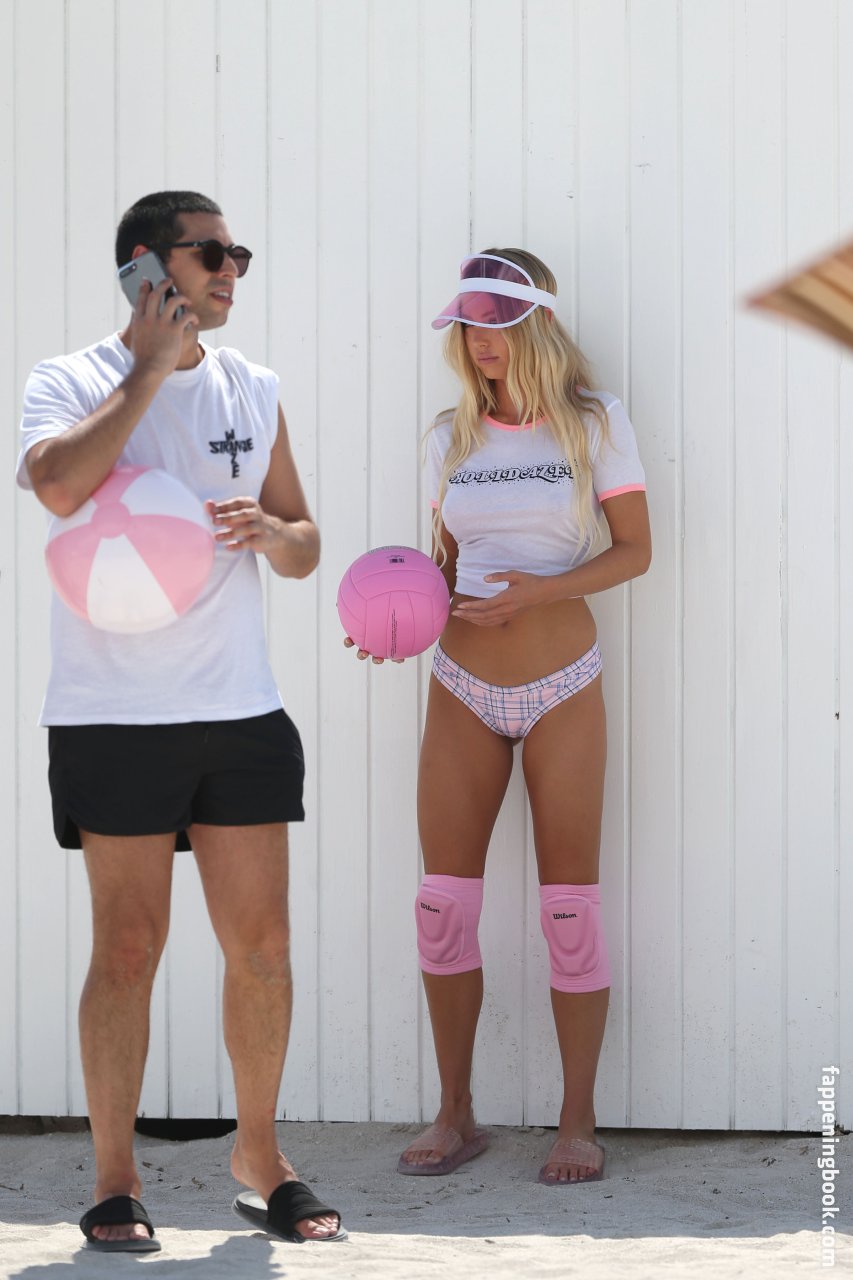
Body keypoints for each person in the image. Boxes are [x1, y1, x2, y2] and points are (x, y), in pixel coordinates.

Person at [17, 191, 346, 1249]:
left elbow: (306, 540)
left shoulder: (255, 385)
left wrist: (275, 536)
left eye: (238, 253)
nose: (231, 269)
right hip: (113, 715)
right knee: (128, 945)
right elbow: (55, 486)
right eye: (211, 253)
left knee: (263, 948)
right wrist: (148, 369)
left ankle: (261, 1158)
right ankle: (117, 1180)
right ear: (146, 267)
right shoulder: (70, 379)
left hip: (239, 707)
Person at [349, 249, 651, 1185]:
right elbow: (440, 568)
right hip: (460, 684)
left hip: (562, 680)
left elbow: (635, 551)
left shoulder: (595, 422)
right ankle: (455, 1114)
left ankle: (577, 1121)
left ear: (537, 323)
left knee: (569, 912)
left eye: (498, 322)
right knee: (442, 907)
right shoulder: (448, 437)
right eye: (468, 326)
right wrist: (395, 624)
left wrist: (540, 592)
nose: (480, 342)